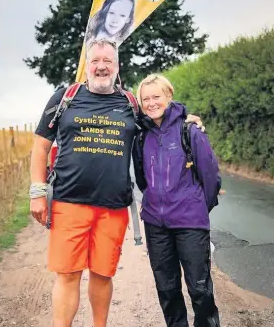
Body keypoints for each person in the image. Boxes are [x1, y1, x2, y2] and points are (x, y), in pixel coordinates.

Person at [29, 39, 204, 327]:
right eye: (95, 61)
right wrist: (37, 193)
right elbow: (40, 147)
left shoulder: (129, 103)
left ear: (117, 66)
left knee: (102, 274)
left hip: (113, 208)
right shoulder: (64, 97)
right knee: (68, 274)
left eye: (107, 61)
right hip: (68, 203)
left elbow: (159, 121)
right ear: (87, 65)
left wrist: (185, 119)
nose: (101, 66)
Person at [132, 74, 221, 327]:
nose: (151, 103)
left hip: (190, 222)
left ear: (169, 96)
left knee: (199, 289)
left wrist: (197, 207)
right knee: (167, 289)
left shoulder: (189, 130)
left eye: (156, 96)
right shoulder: (141, 136)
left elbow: (211, 178)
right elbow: (142, 180)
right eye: (145, 99)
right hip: (155, 225)